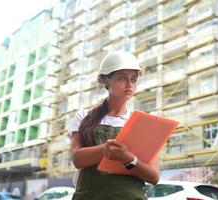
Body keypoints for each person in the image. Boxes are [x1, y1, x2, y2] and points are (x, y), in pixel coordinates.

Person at [68, 51, 160, 199]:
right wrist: (106, 149)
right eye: (122, 78)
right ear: (106, 81)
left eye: (134, 79)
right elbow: (77, 159)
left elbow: (154, 176)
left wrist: (128, 158)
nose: (129, 84)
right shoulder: (84, 116)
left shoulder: (142, 122)